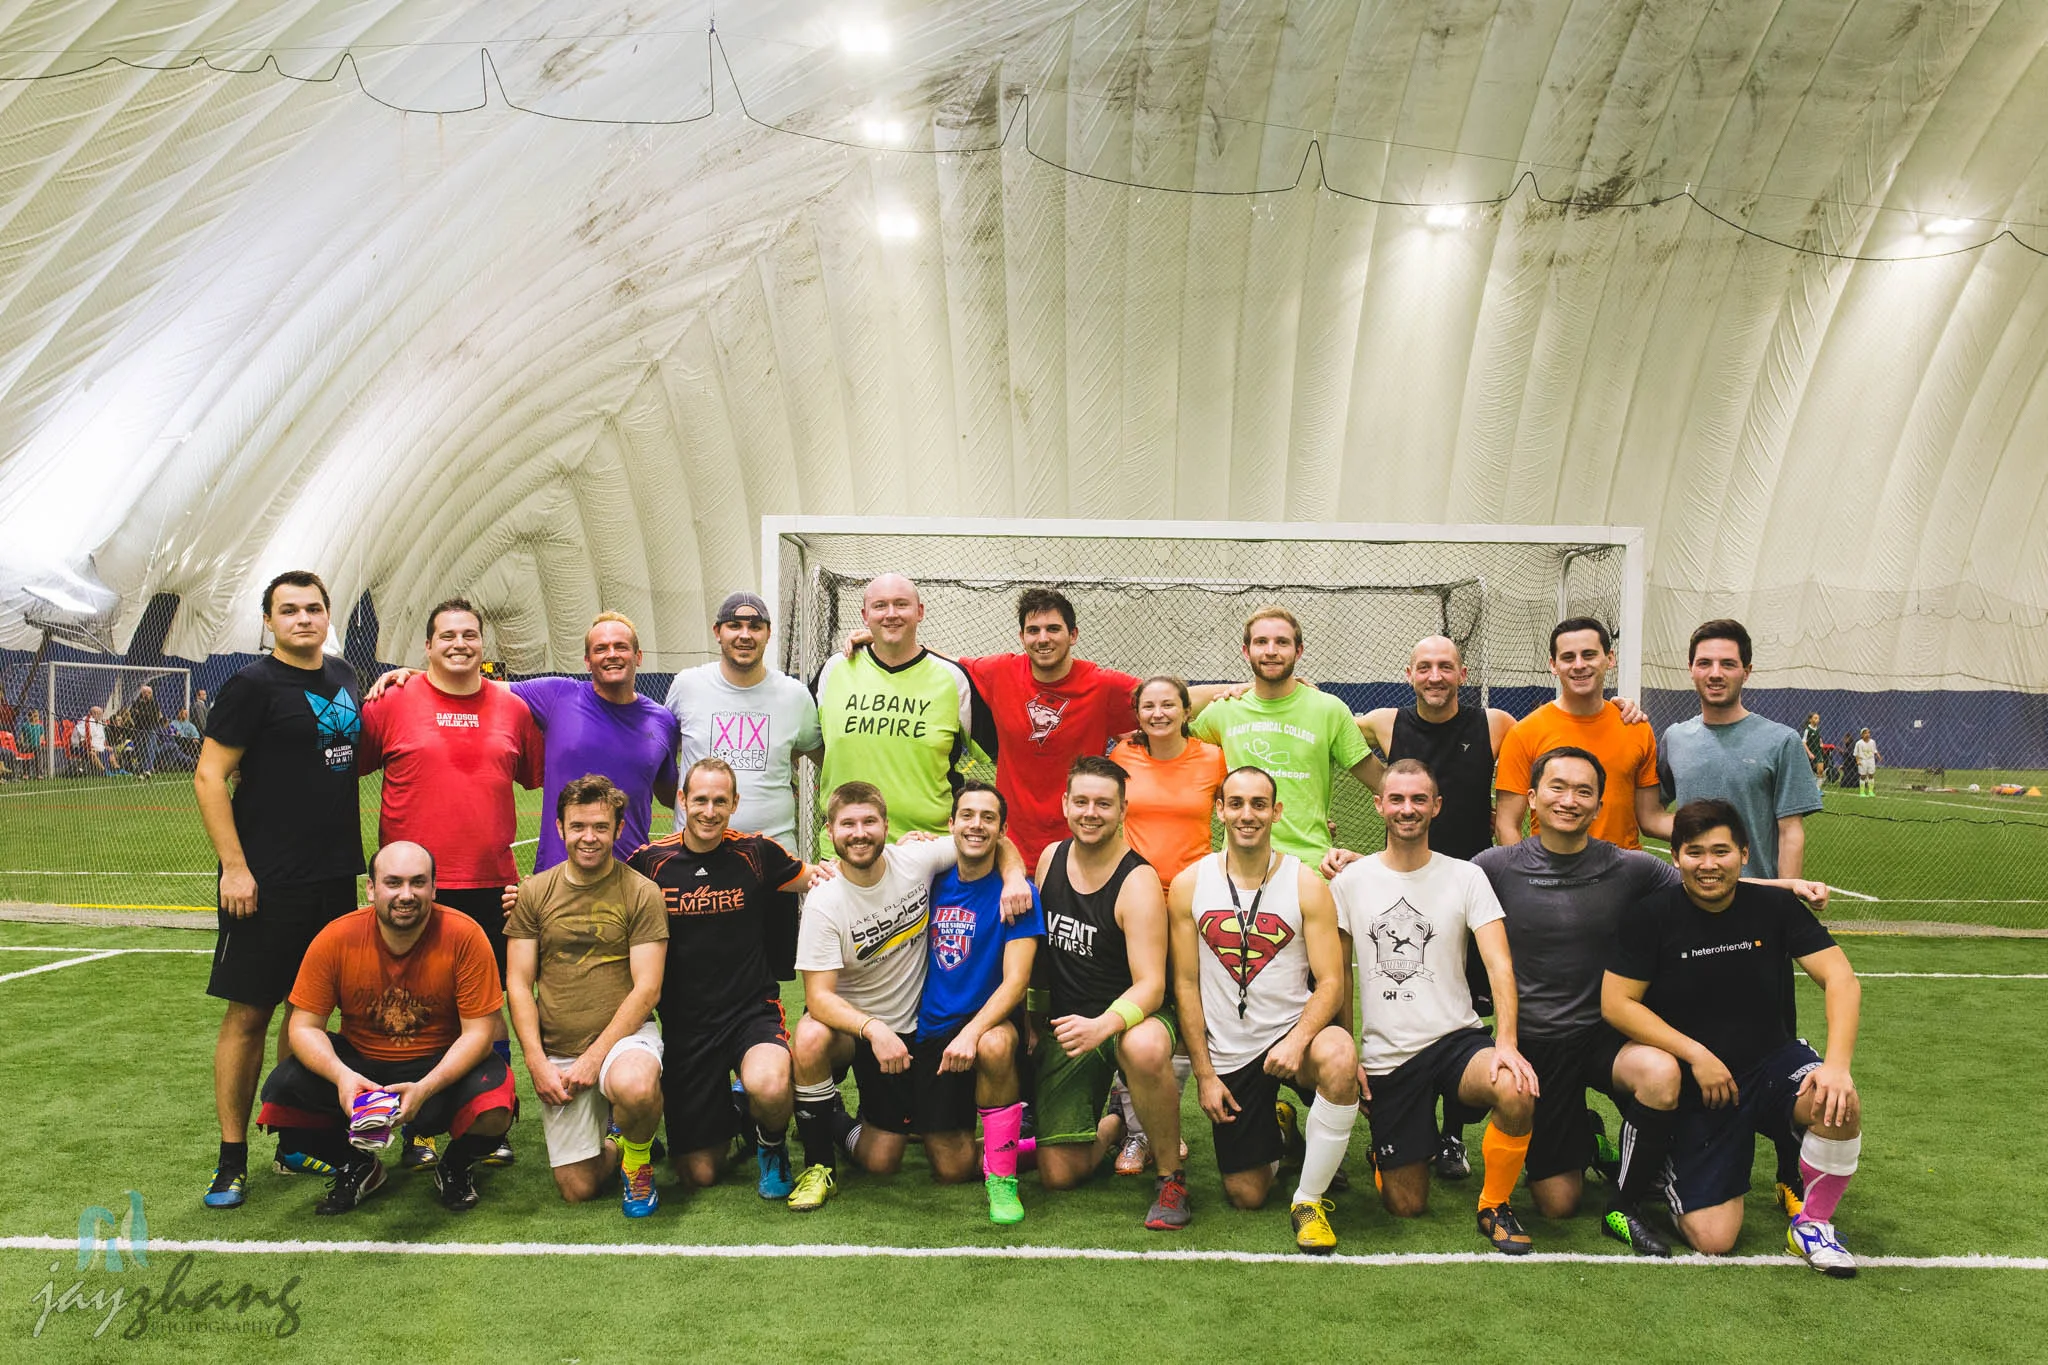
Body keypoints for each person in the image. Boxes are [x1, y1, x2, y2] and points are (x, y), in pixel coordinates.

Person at [1603, 799, 1865, 1276]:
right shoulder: (1651, 916)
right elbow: (1617, 1003)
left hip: (1771, 1065)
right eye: (1694, 852)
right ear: (1675, 857)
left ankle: (1812, 1224)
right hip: (1699, 1083)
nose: (1708, 864)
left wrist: (1837, 1067)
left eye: (1720, 851)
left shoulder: (1775, 907)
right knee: (1714, 1239)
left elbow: (1841, 979)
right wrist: (1695, 1054)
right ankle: (1665, 1154)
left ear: (1744, 854)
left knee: (1838, 1103)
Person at [852, 589, 1241, 869]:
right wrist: (886, 641)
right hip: (1010, 845)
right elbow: (945, 660)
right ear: (1022, 637)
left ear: (1073, 635)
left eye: (1053, 629)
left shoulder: (1101, 685)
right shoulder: (999, 671)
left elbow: (1169, 698)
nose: (1043, 638)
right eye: (1033, 630)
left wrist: (1248, 687)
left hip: (1081, 843)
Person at [195, 570, 365, 1210]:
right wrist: (235, 868)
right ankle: (231, 1159)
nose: (303, 619)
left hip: (333, 878)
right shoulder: (252, 684)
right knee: (249, 1015)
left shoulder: (343, 676)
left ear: (328, 615)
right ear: (268, 621)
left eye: (313, 608)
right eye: (288, 610)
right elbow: (209, 776)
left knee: (310, 1015)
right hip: (265, 883)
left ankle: (294, 1138)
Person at [356, 598, 543, 1170]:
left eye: (469, 635)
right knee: (414, 1006)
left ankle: (492, 1118)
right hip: (412, 889)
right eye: (447, 635)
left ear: (483, 644)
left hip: (491, 884)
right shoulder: (393, 700)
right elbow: (346, 764)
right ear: (428, 646)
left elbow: (536, 775)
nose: (459, 644)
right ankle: (419, 1128)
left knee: (490, 1005)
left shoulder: (511, 708)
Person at [1328, 759, 1540, 1254]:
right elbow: (1339, 978)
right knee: (1405, 1205)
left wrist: (1507, 1044)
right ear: (1378, 805)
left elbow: (1500, 966)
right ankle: (1392, 1154)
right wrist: (1349, 1052)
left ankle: (1495, 1204)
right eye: (1397, 799)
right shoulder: (1350, 883)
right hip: (1391, 1056)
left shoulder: (1466, 876)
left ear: (1436, 806)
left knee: (1515, 1089)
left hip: (1456, 1042)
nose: (1408, 809)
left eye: (1419, 799)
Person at [787, 780, 1030, 1210]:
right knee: (808, 1035)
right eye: (847, 824)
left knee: (884, 1160)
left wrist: (1014, 877)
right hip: (855, 1027)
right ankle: (818, 1162)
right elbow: (819, 998)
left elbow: (987, 838)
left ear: (887, 827)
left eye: (869, 822)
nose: (859, 833)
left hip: (911, 1030)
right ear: (830, 831)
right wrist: (872, 1029)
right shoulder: (824, 900)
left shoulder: (917, 861)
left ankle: (842, 1117)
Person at [253, 841, 514, 1215]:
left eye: (418, 882)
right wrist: (343, 1078)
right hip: (361, 1067)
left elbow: (479, 1033)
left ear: (434, 888)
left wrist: (426, 1087)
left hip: (438, 1068)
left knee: (496, 1105)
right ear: (371, 889)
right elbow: (304, 1027)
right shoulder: (336, 937)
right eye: (393, 883)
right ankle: (358, 1166)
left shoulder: (465, 935)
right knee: (282, 1097)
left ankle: (455, 1167)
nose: (406, 895)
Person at [1168, 766, 1358, 1254]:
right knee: (1246, 1194)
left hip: (1295, 1034)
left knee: (1339, 1054)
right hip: (1232, 1051)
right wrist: (1205, 1075)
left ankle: (1308, 1201)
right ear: (1220, 811)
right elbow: (1185, 984)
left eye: (1258, 804)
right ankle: (1281, 1128)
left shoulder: (1305, 884)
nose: (1246, 814)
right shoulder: (1190, 884)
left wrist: (1297, 1041)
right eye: (1236, 803)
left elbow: (1331, 983)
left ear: (1276, 812)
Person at [628, 759, 834, 1200]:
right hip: (687, 1027)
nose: (709, 811)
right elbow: (599, 892)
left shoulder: (756, 853)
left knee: (771, 1085)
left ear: (735, 803)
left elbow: (816, 879)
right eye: (700, 799)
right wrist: (530, 896)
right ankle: (738, 1109)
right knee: (699, 1173)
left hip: (750, 1013)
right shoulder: (650, 862)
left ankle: (771, 1145)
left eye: (720, 801)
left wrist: (898, 858)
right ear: (682, 800)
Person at [1353, 634, 1519, 1180]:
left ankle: (1453, 1135)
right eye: (1424, 667)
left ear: (1462, 674)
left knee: (1465, 1011)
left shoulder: (1494, 724)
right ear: (1409, 674)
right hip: (1405, 881)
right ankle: (1411, 1118)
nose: (1435, 676)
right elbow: (1324, 727)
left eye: (1445, 667)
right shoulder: (1384, 723)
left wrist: (1620, 706)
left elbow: (1549, 740)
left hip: (1467, 887)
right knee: (1415, 999)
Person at [369, 611, 679, 870]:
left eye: (621, 647)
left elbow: (671, 796)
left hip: (631, 873)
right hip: (558, 876)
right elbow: (477, 685)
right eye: (601, 648)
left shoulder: (662, 721)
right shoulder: (558, 696)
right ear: (587, 661)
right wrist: (419, 674)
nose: (611, 654)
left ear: (638, 656)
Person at [1033, 755, 1189, 1230]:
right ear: (1065, 804)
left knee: (1142, 1047)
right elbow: (1041, 960)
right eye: (1081, 801)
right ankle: (1117, 1123)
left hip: (1131, 1018)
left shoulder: (1137, 881)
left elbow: (1152, 985)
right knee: (1058, 1175)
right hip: (1071, 1025)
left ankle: (1171, 1177)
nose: (1090, 813)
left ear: (1123, 810)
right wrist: (1033, 1023)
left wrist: (1104, 1025)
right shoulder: (1050, 859)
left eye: (1103, 804)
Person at [506, 775, 669, 1216]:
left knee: (634, 1086)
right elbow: (518, 983)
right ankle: (618, 1139)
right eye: (578, 826)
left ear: (619, 829)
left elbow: (648, 988)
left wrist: (595, 1058)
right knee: (578, 1188)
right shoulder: (533, 892)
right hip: (560, 1050)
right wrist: (536, 1063)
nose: (589, 837)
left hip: (624, 1041)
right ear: (560, 827)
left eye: (600, 826)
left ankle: (638, 1160)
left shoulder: (642, 892)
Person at [914, 780, 1043, 1225]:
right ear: (950, 824)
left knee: (995, 1044)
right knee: (950, 1169)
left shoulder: (1018, 894)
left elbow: (1016, 982)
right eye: (967, 815)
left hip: (988, 1021)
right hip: (933, 1029)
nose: (976, 825)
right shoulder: (928, 880)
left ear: (1002, 831)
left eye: (989, 818)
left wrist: (972, 1033)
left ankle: (1002, 1179)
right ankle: (1031, 1147)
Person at [812, 575, 995, 855]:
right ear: (864, 615)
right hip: (845, 850)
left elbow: (1000, 755)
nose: (891, 614)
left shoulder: (952, 679)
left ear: (920, 611)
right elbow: (805, 741)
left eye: (901, 604)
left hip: (929, 850)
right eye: (880, 606)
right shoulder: (835, 668)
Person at [1189, 607, 1376, 867]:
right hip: (1239, 867)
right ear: (1246, 651)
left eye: (1282, 642)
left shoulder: (1329, 709)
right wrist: (1239, 687)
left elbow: (1384, 786)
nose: (1271, 651)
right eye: (1261, 642)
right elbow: (1174, 718)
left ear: (1298, 651)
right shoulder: (1224, 710)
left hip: (1310, 866)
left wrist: (1381, 860)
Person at [1657, 620, 1824, 879]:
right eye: (1704, 663)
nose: (1715, 673)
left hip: (1757, 895)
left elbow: (1790, 832)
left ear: (1746, 671)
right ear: (1691, 669)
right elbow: (1650, 815)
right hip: (1691, 895)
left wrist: (1785, 897)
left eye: (1728, 664)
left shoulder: (1782, 741)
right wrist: (1696, 832)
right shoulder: (1675, 738)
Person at [663, 592, 822, 848]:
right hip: (696, 853)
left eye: (755, 627)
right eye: (734, 626)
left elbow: (821, 755)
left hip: (773, 854)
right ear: (717, 632)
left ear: (768, 634)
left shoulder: (795, 695)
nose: (745, 635)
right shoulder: (687, 685)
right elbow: (661, 752)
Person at [1495, 618, 1665, 849]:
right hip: (1553, 869)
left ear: (1610, 658)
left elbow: (1650, 818)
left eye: (1589, 655)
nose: (1579, 665)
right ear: (1553, 665)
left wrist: (1712, 830)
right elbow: (1507, 825)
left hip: (1622, 868)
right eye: (1568, 657)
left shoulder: (1636, 727)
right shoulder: (1524, 733)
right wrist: (1525, 870)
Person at [1107, 676, 1228, 885]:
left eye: (1168, 705)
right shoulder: (1122, 755)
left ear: (1187, 712)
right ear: (1138, 715)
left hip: (1194, 885)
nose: (1158, 713)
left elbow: (1234, 814)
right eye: (1148, 706)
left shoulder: (1213, 758)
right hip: (1136, 884)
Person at [79, 705, 119, 774]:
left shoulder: (99, 723)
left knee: (110, 750)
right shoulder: (86, 722)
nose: (101, 716)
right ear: (94, 714)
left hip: (98, 747)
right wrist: (89, 747)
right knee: (92, 753)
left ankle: (117, 769)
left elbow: (101, 738)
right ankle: (104, 771)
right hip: (85, 747)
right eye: (100, 714)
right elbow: (81, 739)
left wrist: (106, 746)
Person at [1853, 729, 1880, 798]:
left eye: (1868, 733)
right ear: (1862, 735)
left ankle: (1871, 791)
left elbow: (1874, 750)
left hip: (1871, 760)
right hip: (1863, 760)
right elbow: (1856, 753)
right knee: (1863, 776)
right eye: (1865, 733)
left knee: (1871, 775)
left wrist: (1878, 755)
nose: (1867, 734)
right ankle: (1862, 792)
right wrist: (1857, 761)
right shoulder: (1859, 743)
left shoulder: (1872, 742)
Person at [1802, 713, 1825, 781]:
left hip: (1818, 752)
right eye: (1815, 718)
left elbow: (1818, 737)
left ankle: (1818, 786)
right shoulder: (1807, 730)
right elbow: (1803, 742)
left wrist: (1821, 742)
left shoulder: (1817, 729)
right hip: (1810, 752)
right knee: (1808, 772)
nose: (1817, 720)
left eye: (1818, 718)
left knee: (1821, 770)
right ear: (1810, 720)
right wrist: (1809, 753)